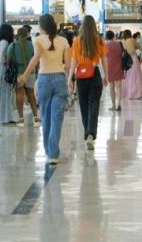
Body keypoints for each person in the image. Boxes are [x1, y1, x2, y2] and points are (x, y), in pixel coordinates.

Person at [19, 14, 71, 164]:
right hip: (60, 79)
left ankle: (49, 152)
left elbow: (36, 58)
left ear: (42, 26)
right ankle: (53, 153)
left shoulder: (38, 40)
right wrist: (59, 68)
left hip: (44, 80)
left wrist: (25, 75)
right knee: (57, 117)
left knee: (46, 116)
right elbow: (68, 65)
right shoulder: (63, 41)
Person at [69, 15, 108, 151]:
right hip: (94, 74)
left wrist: (69, 78)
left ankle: (88, 133)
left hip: (81, 75)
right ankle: (91, 133)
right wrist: (106, 76)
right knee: (94, 106)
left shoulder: (76, 41)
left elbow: (73, 61)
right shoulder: (99, 41)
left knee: (84, 106)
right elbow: (104, 60)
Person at [8, 26, 39, 124]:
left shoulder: (13, 45)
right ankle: (36, 116)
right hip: (30, 72)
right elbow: (35, 58)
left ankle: (21, 117)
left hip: (19, 73)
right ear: (27, 35)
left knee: (19, 94)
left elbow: (8, 59)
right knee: (31, 95)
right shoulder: (31, 45)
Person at [0, 24, 17, 126]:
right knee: (4, 93)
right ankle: (4, 117)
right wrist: (7, 64)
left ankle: (3, 117)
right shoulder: (5, 42)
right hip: (3, 69)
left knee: (1, 93)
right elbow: (3, 56)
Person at [104, 30, 124, 111]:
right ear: (113, 36)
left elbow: (104, 57)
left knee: (111, 87)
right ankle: (119, 104)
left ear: (106, 37)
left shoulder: (105, 46)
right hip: (119, 66)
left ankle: (113, 105)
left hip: (109, 67)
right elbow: (122, 54)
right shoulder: (119, 44)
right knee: (119, 87)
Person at [121, 29, 142, 100]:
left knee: (128, 76)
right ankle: (136, 93)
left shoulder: (123, 41)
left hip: (126, 59)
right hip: (133, 59)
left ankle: (127, 93)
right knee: (136, 75)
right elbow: (140, 47)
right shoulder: (132, 39)